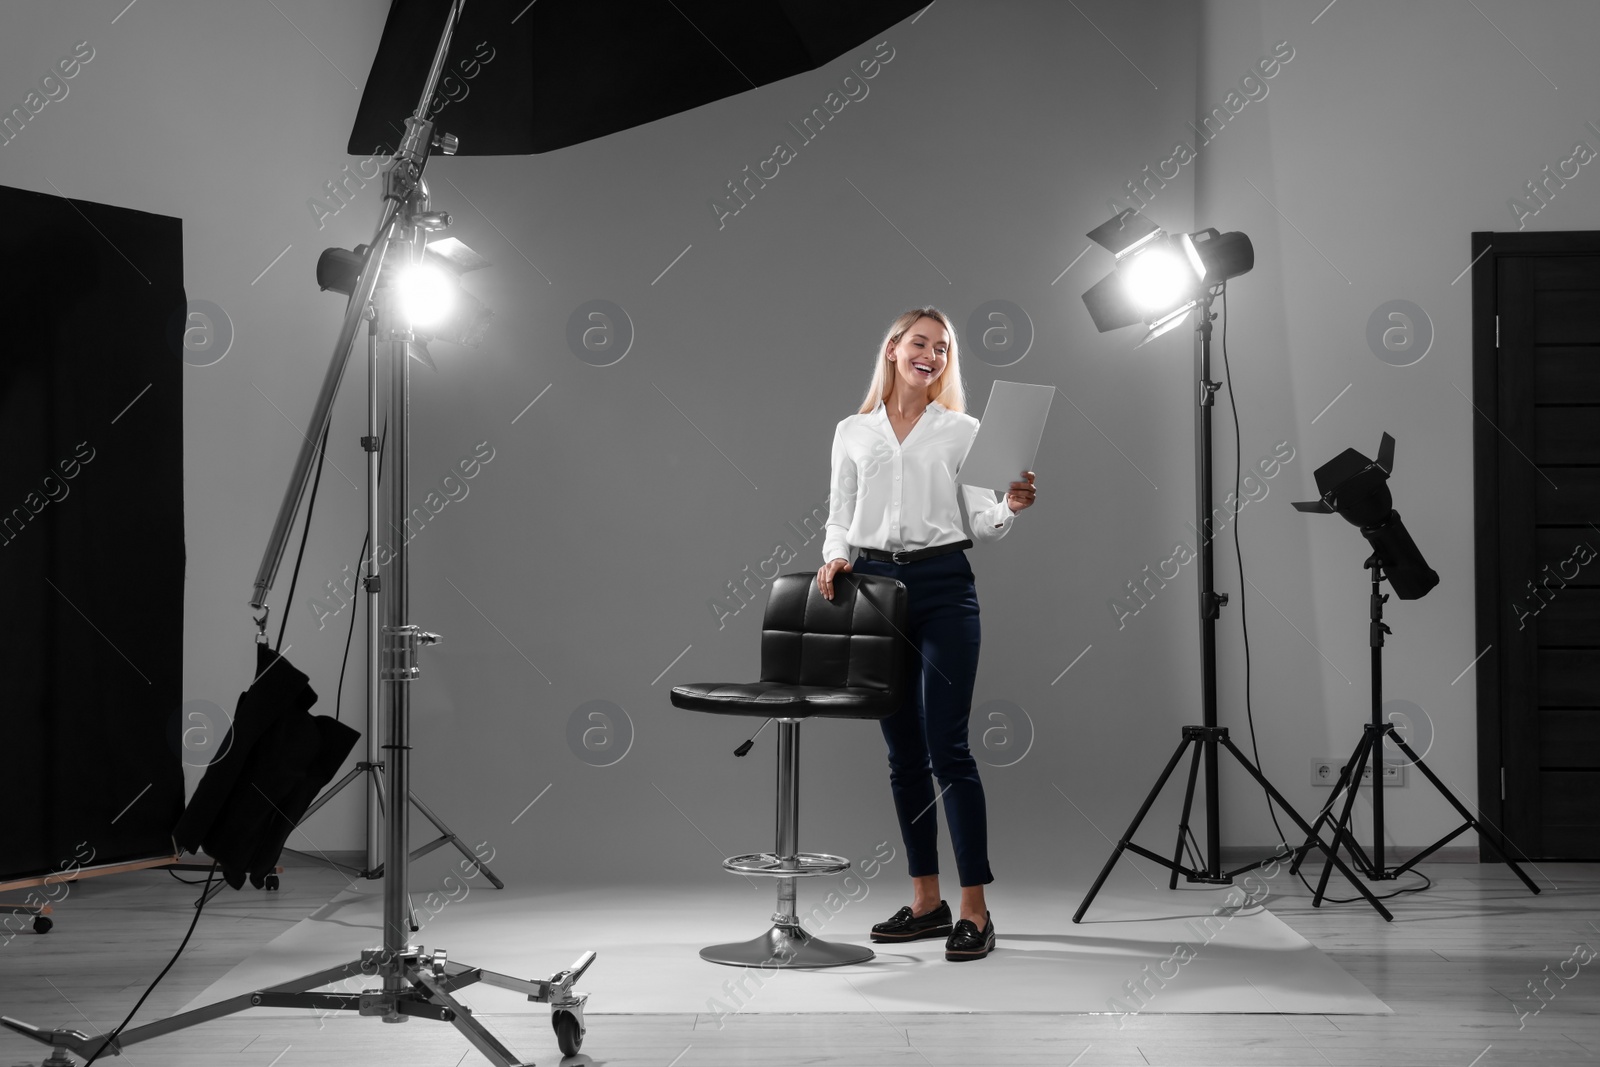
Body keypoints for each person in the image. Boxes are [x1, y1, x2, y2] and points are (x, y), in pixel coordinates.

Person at [816, 306, 1036, 963]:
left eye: (943, 349)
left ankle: (975, 908)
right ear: (892, 349)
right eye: (921, 342)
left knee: (949, 748)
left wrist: (1011, 508)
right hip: (876, 589)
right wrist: (835, 555)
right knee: (902, 754)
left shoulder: (964, 431)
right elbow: (838, 514)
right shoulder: (852, 431)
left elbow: (982, 520)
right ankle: (925, 901)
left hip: (945, 588)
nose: (932, 355)